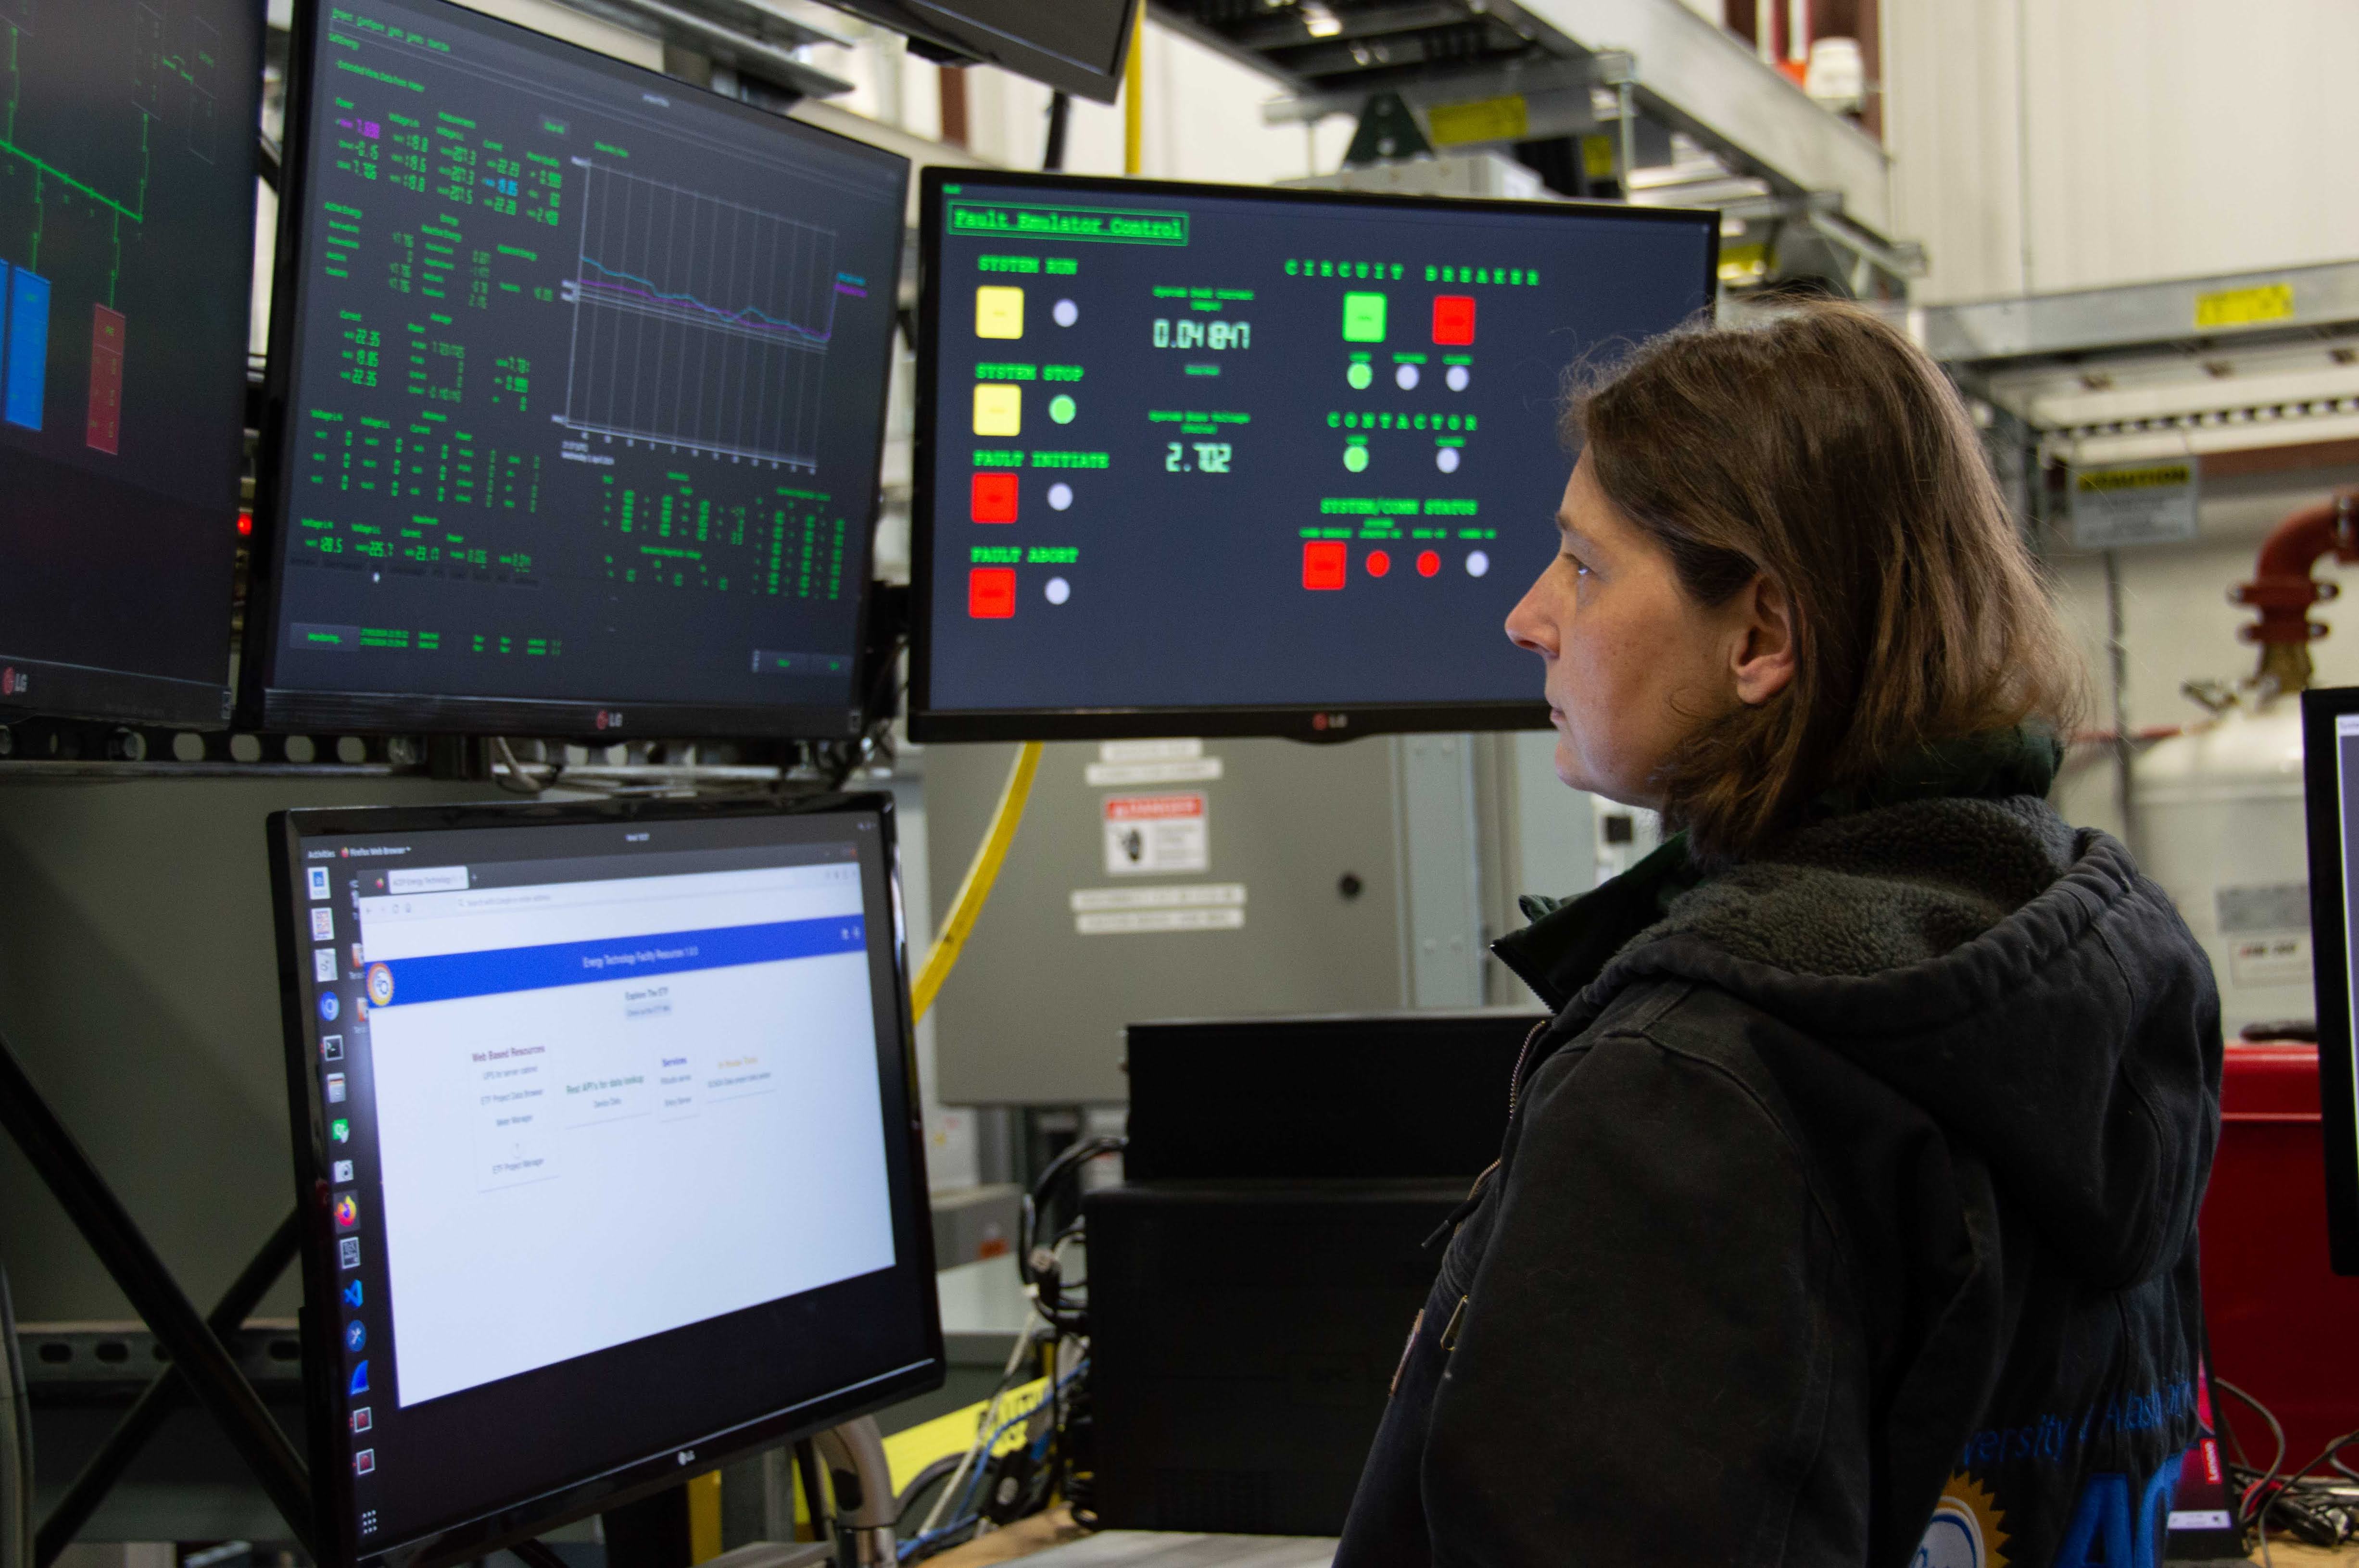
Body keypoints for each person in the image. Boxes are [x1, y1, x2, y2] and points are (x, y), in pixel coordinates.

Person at [1335, 301, 2220, 1568]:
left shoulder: (1690, 1086)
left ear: (1758, 634)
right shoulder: (2089, 967)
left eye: (1582, 566)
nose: (1529, 617)